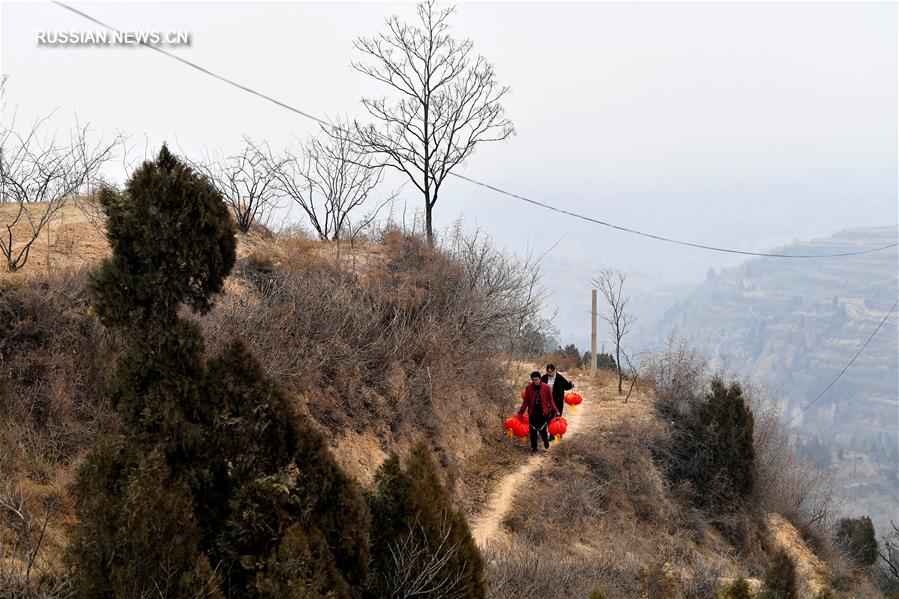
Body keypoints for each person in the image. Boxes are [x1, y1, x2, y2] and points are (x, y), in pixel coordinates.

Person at [518, 371, 560, 453]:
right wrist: (520, 413)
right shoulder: (528, 388)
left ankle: (545, 441)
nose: (535, 381)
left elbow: (550, 400)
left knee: (542, 429)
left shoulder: (546, 387)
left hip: (543, 412)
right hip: (532, 412)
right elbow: (526, 401)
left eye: (536, 379)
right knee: (533, 431)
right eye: (533, 380)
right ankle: (534, 448)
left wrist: (556, 411)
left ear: (540, 379)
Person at [541, 363, 574, 440]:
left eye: (551, 372)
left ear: (554, 370)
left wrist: (571, 385)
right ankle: (552, 434)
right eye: (548, 372)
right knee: (548, 417)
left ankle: (559, 432)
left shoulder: (559, 378)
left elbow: (566, 386)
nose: (550, 374)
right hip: (547, 400)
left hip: (557, 400)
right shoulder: (544, 378)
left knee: (556, 417)